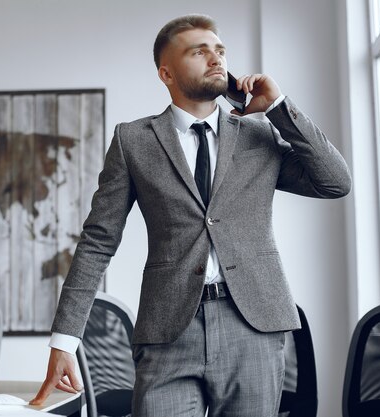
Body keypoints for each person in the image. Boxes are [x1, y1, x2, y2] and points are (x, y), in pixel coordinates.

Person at [31, 13, 351, 416]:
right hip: (167, 332)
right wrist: (65, 341)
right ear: (166, 73)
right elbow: (98, 241)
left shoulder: (259, 133)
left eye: (219, 51)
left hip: (252, 327)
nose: (216, 59)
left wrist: (280, 108)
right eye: (199, 52)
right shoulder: (133, 141)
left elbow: (334, 183)